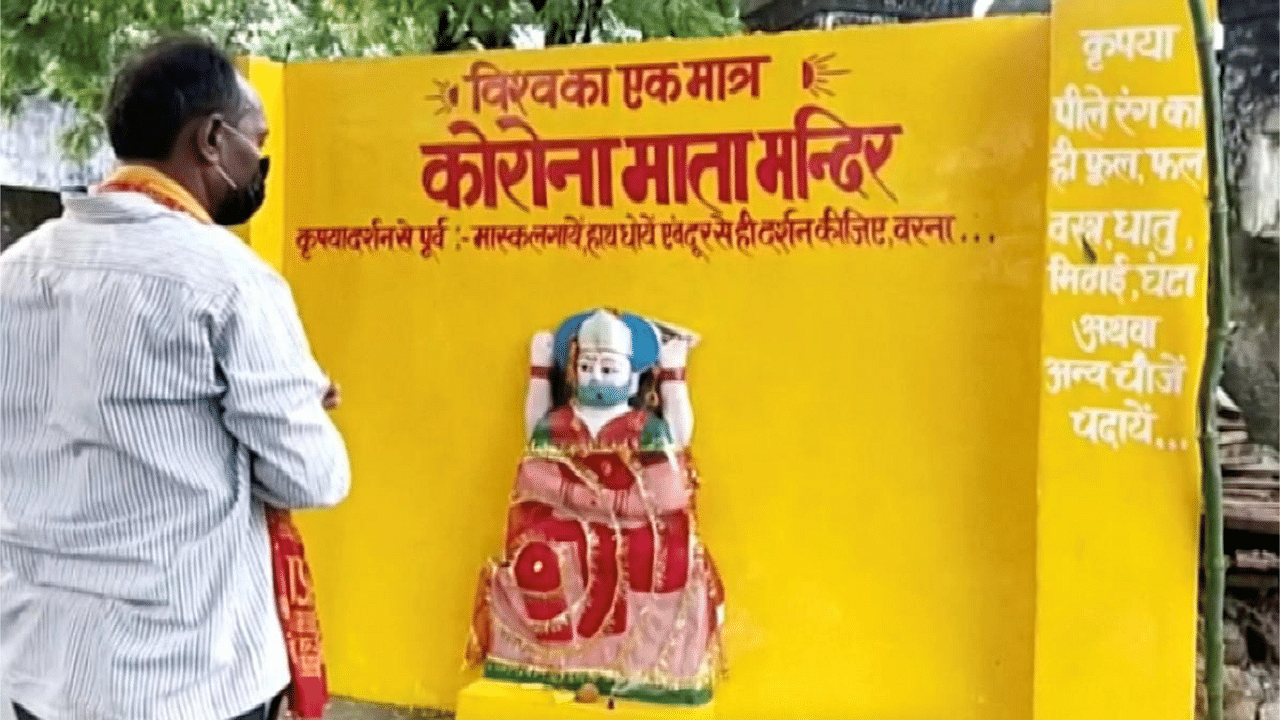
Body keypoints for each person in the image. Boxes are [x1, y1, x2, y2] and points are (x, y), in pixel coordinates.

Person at [0, 36, 349, 720]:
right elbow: (313, 477)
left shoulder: (13, 270)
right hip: (186, 675)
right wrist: (292, 411)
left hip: (38, 664)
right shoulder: (229, 280)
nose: (262, 162)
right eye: (259, 140)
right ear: (214, 140)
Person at [466, 309, 725, 706]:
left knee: (663, 556)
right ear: (572, 370)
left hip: (636, 522)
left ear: (634, 376)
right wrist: (581, 499)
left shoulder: (646, 428)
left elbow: (669, 491)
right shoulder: (557, 424)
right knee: (539, 555)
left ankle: (644, 668)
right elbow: (533, 475)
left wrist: (620, 504)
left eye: (607, 368)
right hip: (565, 519)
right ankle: (550, 660)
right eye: (586, 367)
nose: (595, 377)